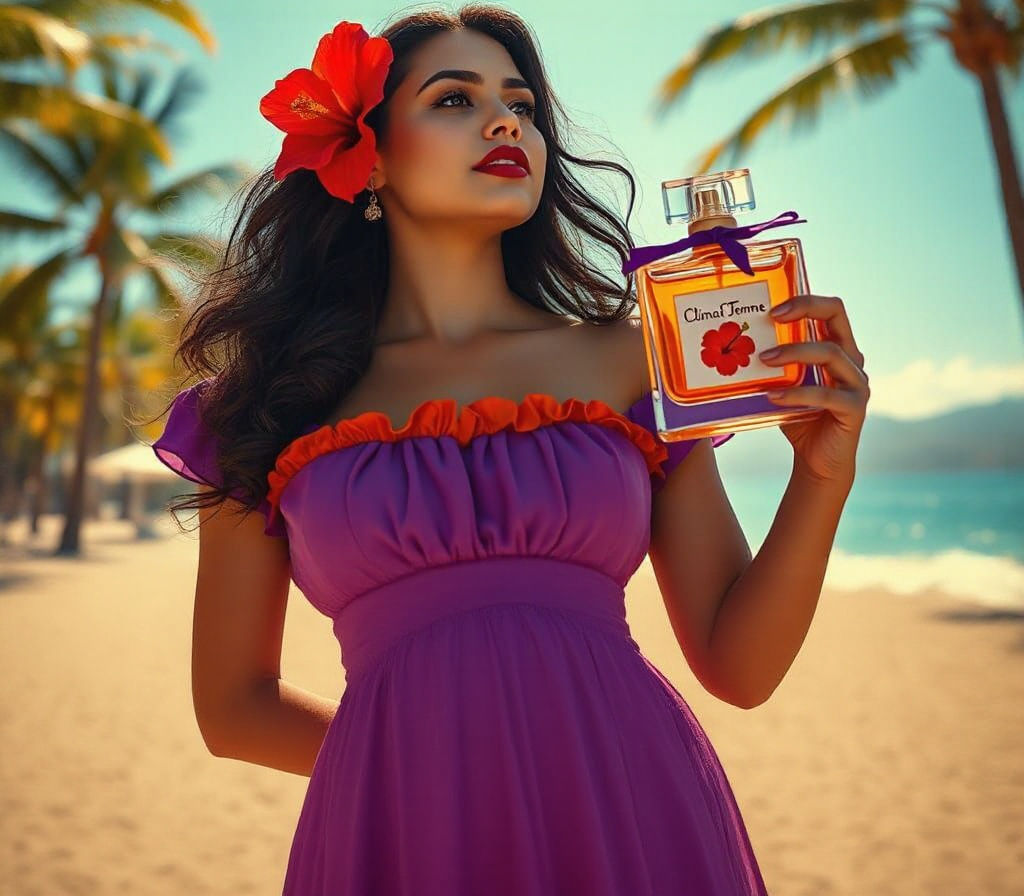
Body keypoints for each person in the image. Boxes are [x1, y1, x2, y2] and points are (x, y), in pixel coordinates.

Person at [150, 5, 868, 894]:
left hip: (630, 807)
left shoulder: (633, 358)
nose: (505, 122)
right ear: (363, 154)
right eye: (454, 98)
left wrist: (821, 476)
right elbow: (233, 708)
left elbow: (741, 664)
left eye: (521, 104)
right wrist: (423, 769)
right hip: (403, 837)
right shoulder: (263, 406)